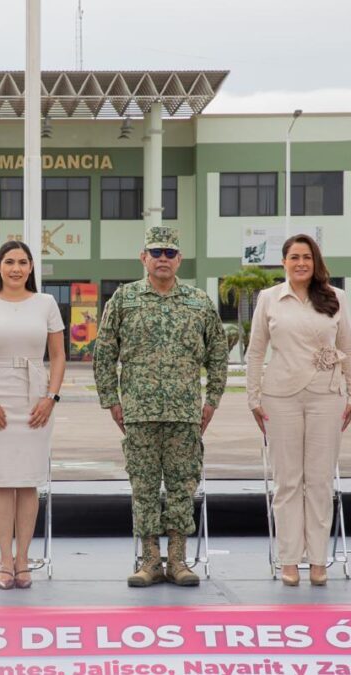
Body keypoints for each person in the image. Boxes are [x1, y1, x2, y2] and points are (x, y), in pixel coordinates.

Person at [93, 225, 228, 588]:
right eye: (156, 252)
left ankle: (178, 560)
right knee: (144, 488)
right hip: (138, 413)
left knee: (183, 486)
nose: (163, 259)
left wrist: (212, 400)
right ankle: (150, 560)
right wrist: (111, 401)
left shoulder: (199, 302)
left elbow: (218, 353)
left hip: (185, 413)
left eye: (169, 253)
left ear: (179, 259)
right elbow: (103, 353)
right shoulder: (124, 299)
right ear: (144, 257)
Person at [246, 234, 351, 587]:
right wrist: (253, 398)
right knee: (288, 482)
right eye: (294, 257)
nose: (300, 263)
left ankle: (318, 560)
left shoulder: (335, 297)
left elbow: (348, 347)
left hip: (327, 395)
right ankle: (290, 560)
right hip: (280, 397)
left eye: (306, 257)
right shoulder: (269, 298)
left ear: (315, 262)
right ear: (284, 262)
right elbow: (255, 351)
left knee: (320, 481)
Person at [0, 241, 66, 590]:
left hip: (36, 398)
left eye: (23, 262)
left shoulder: (46, 303)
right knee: (2, 481)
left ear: (31, 267)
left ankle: (23, 560)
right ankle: (5, 560)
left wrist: (50, 397)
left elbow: (58, 356)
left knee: (28, 481)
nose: (16, 268)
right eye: (9, 262)